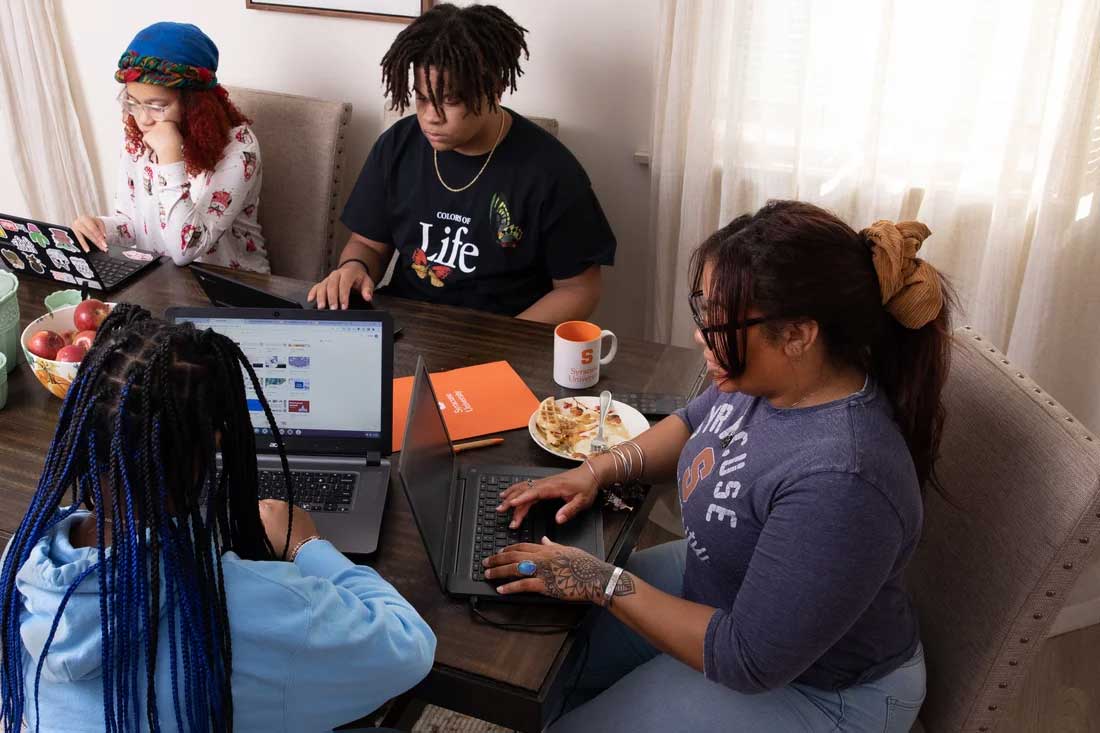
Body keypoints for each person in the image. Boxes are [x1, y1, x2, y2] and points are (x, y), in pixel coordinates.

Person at [486, 200, 952, 731]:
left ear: (799, 334)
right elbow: (689, 422)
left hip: (818, 687)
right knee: (545, 662)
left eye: (718, 320)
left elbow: (747, 659)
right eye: (702, 309)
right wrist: (595, 471)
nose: (700, 334)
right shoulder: (773, 381)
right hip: (722, 584)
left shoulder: (843, 480)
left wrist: (601, 581)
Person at [0, 305, 434, 732]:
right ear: (215, 443)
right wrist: (307, 546)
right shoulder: (245, 606)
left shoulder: (22, 560)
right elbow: (409, 649)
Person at [309, 3, 616, 322]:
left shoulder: (551, 171)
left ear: (494, 90)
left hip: (502, 336)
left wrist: (507, 344)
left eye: (450, 101)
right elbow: (367, 244)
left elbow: (579, 290)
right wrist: (353, 269)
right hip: (410, 328)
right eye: (423, 98)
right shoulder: (398, 144)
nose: (430, 117)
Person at [71, 22, 269, 273]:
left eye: (157, 105)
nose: (143, 119)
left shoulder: (240, 148)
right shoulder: (141, 135)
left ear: (194, 103)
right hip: (162, 283)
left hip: (231, 291)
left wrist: (170, 157)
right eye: (134, 103)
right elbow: (134, 224)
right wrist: (99, 229)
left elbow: (185, 250)